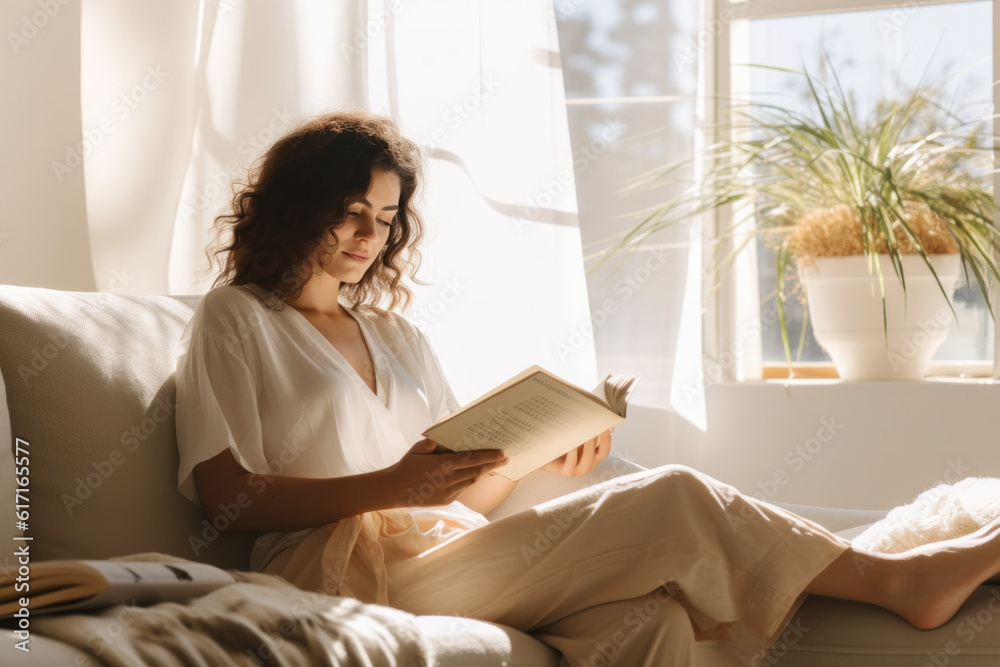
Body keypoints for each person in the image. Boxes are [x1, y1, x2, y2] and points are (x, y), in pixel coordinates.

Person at [174, 110, 1000, 666]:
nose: (368, 234)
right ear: (296, 207)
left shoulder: (398, 336)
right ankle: (898, 577)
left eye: (385, 219)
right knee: (673, 492)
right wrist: (394, 483)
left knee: (658, 625)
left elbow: (461, 485)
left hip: (444, 547)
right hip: (342, 571)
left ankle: (882, 573)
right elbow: (224, 496)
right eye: (351, 210)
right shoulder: (236, 319)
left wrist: (547, 453)